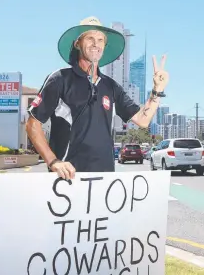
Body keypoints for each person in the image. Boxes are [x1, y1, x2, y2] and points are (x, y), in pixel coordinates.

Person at [26, 16, 169, 180]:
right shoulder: (60, 79)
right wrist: (53, 162)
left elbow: (142, 120)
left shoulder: (111, 86)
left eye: (101, 40)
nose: (96, 44)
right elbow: (32, 124)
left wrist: (157, 90)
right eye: (90, 38)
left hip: (105, 179)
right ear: (77, 43)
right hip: (67, 178)